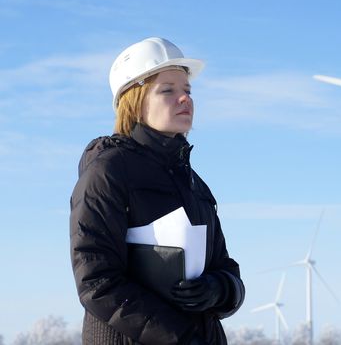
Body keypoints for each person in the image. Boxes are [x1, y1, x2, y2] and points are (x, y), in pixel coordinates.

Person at [69, 37, 245, 344]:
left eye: (187, 91)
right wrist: (178, 335)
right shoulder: (107, 172)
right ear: (134, 102)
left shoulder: (194, 182)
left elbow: (225, 265)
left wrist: (219, 288)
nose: (184, 99)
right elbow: (97, 282)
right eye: (168, 90)